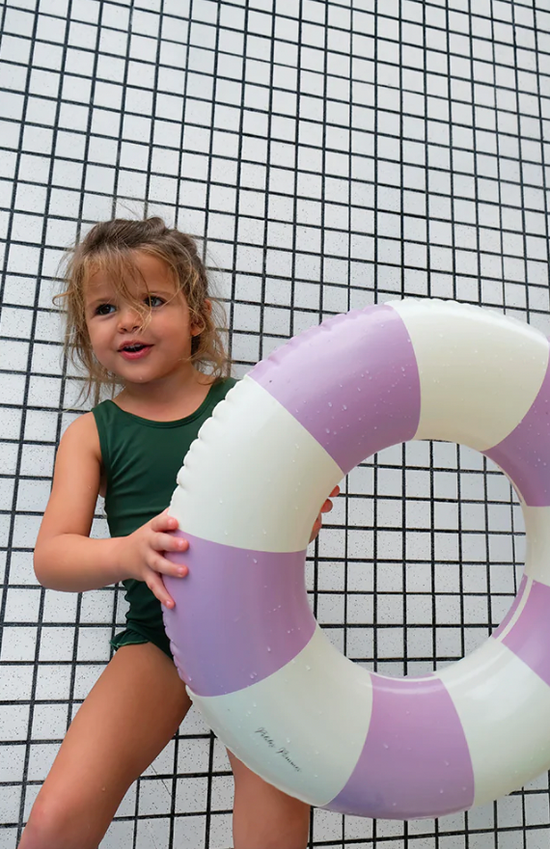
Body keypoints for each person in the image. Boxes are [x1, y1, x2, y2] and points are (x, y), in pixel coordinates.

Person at [19, 217, 338, 849]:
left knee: (275, 825)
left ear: (198, 316)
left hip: (260, 640)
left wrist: (303, 508)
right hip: (155, 640)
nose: (128, 322)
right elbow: (52, 557)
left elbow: (290, 511)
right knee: (57, 818)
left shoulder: (250, 406)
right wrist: (128, 552)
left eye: (151, 300)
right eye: (105, 309)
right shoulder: (92, 434)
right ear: (87, 334)